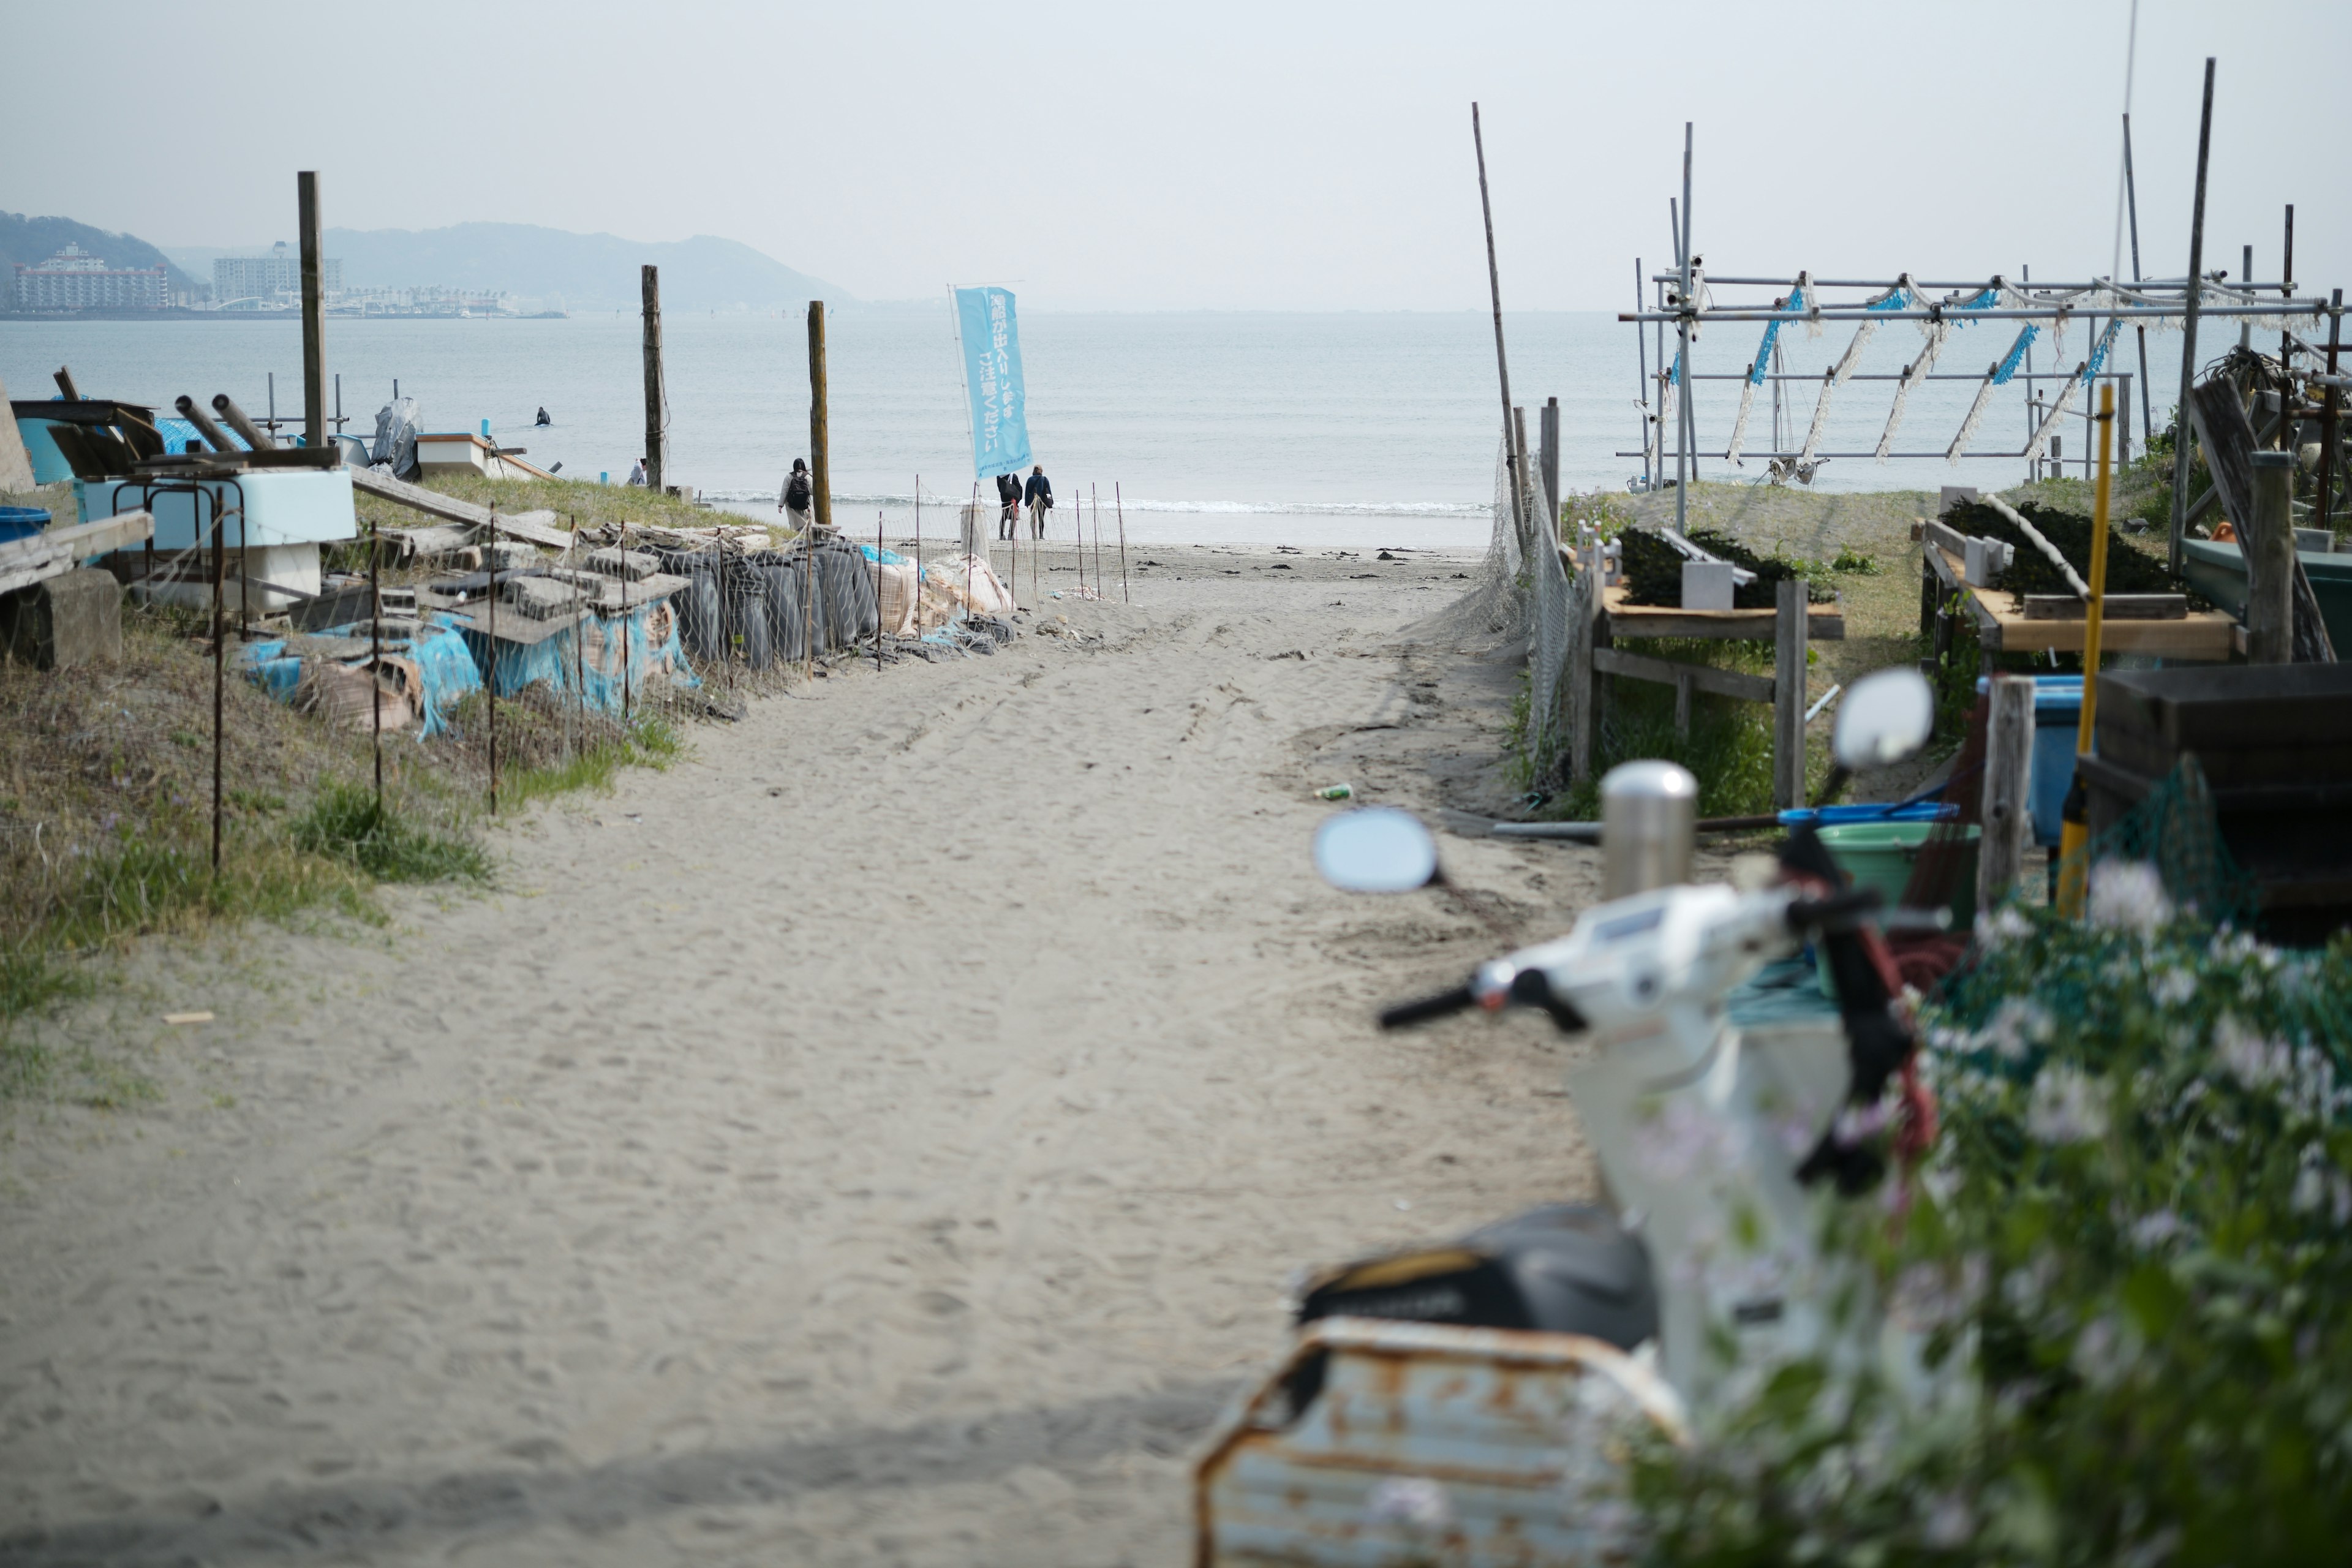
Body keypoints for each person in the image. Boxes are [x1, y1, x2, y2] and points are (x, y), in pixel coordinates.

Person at [778, 457, 813, 533]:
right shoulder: (808, 477)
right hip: (805, 505)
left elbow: (784, 492)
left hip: (791, 505)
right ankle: (807, 535)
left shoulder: (789, 476)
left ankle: (795, 535)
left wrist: (780, 505)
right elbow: (813, 491)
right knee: (806, 522)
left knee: (794, 523)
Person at [1023, 464, 1052, 540]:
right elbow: (1049, 491)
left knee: (1033, 518)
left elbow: (1027, 492)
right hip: (1042, 501)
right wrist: (1051, 502)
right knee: (1041, 518)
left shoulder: (1030, 479)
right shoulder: (1045, 479)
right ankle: (1041, 535)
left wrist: (1027, 503)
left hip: (1032, 501)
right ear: (1041, 471)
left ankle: (1034, 535)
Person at [995, 472, 1021, 540]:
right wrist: (1018, 499)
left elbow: (999, 488)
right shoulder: (1013, 475)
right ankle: (1011, 534)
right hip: (1012, 499)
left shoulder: (999, 476)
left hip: (1004, 499)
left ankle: (1001, 535)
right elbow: (1019, 488)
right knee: (1013, 517)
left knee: (1004, 517)